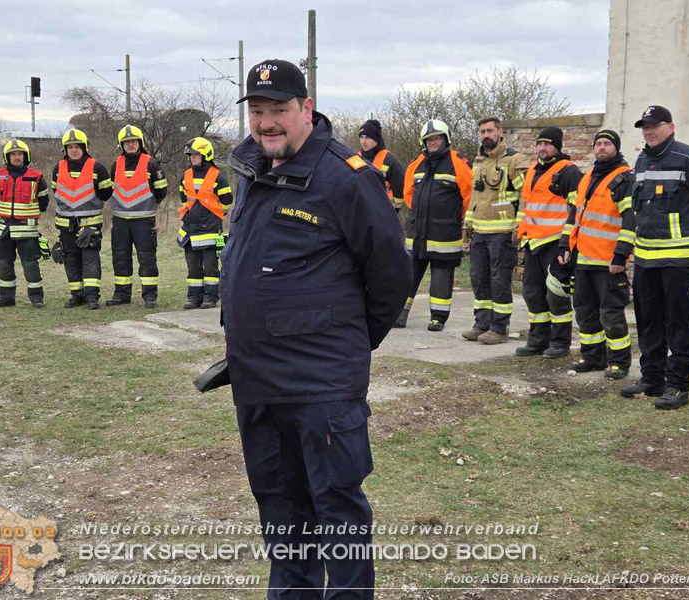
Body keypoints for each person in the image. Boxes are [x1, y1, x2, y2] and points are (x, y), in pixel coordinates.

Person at [224, 58, 411, 599]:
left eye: (279, 109)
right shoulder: (250, 166)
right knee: (281, 511)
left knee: (338, 511)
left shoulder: (346, 178)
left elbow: (390, 276)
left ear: (306, 108)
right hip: (257, 382)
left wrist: (346, 342)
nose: (267, 122)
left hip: (322, 386)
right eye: (257, 111)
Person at [621, 106, 689, 409]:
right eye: (644, 127)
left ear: (671, 127)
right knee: (648, 321)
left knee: (678, 324)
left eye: (655, 126)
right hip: (645, 260)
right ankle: (651, 378)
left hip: (680, 261)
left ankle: (678, 386)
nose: (649, 131)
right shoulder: (641, 160)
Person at [560, 130, 635, 378]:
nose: (602, 148)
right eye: (598, 144)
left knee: (611, 314)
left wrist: (621, 255)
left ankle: (619, 362)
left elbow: (631, 220)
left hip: (608, 261)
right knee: (585, 311)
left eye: (607, 144)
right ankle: (592, 358)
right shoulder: (589, 176)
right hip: (583, 259)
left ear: (616, 148)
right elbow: (575, 215)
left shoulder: (624, 178)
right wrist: (564, 245)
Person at [398, 119, 472, 331]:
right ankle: (400, 313)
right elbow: (408, 194)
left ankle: (438, 318)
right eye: (429, 140)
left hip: (445, 234)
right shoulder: (416, 164)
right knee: (408, 274)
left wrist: (454, 218)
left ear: (446, 139)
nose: (433, 142)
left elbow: (469, 197)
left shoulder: (458, 162)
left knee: (441, 277)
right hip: (417, 232)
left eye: (437, 138)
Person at [515, 127, 582, 358]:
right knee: (532, 293)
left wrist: (567, 243)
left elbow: (576, 212)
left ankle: (560, 343)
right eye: (539, 144)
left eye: (548, 144)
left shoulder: (569, 172)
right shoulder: (533, 169)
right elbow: (528, 206)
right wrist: (521, 232)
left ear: (557, 146)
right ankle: (537, 340)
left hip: (555, 243)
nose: (542, 148)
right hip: (533, 242)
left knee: (557, 295)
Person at [462, 116, 529, 344]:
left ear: (500, 132)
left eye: (490, 130)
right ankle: (481, 324)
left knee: (499, 281)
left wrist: (518, 226)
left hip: (502, 232)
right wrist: (467, 226)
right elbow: (476, 197)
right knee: (478, 279)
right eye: (482, 131)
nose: (485, 135)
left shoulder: (515, 160)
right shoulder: (479, 160)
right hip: (480, 231)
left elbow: (526, 197)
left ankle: (499, 328)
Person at [51, 128, 113, 309]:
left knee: (90, 260)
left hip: (89, 226)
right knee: (70, 260)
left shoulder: (97, 167)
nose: (74, 150)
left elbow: (106, 193)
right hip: (66, 226)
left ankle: (92, 296)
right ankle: (77, 295)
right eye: (70, 147)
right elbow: (56, 191)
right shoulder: (58, 168)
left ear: (85, 147)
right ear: (65, 149)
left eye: (77, 146)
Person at [106, 125, 167, 308]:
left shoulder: (151, 163)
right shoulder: (116, 164)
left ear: (140, 143)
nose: (130, 145)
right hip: (120, 221)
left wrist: (148, 205)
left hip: (143, 220)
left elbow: (161, 190)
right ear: (121, 145)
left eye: (133, 141)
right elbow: (110, 188)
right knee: (120, 257)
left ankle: (150, 296)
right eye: (127, 142)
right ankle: (121, 294)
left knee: (147, 258)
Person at [0, 139, 49, 308]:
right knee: (3, 263)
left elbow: (44, 203)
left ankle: (36, 298)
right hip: (3, 229)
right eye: (13, 154)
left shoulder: (36, 177)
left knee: (30, 265)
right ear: (7, 157)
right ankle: (6, 297)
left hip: (26, 230)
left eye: (20, 154)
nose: (17, 157)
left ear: (26, 156)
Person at [177, 136, 233, 309]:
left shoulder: (218, 177)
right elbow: (184, 199)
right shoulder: (185, 176)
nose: (192, 157)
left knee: (210, 268)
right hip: (190, 229)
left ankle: (210, 297)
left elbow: (227, 202)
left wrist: (211, 216)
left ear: (206, 155)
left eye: (195, 154)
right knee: (193, 268)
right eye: (190, 155)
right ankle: (194, 297)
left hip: (210, 229)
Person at [358, 119, 405, 210]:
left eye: (367, 137)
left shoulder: (389, 160)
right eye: (361, 137)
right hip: (361, 212)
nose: (363, 141)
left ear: (376, 139)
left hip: (383, 212)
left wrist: (393, 211)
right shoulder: (356, 158)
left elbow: (400, 189)